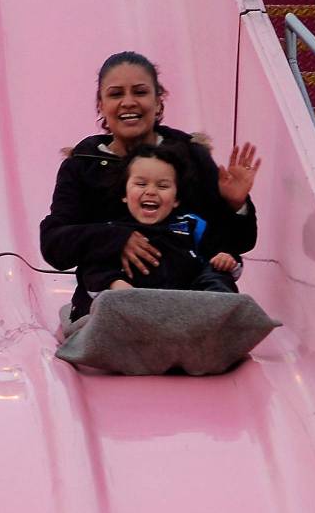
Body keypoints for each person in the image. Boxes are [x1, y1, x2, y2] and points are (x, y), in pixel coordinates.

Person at [40, 50, 262, 321]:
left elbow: (231, 243)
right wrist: (114, 238)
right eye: (116, 94)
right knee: (105, 285)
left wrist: (235, 206)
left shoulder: (189, 156)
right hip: (116, 297)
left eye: (140, 92)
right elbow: (54, 245)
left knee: (217, 281)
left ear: (158, 101)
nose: (128, 102)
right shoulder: (82, 165)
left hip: (184, 293)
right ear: (101, 105)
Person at [75, 142, 244, 308]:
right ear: (124, 194)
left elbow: (221, 247)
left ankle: (218, 309)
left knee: (216, 272)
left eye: (163, 186)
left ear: (176, 198)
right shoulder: (112, 231)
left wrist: (227, 259)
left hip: (187, 309)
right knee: (110, 296)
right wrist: (115, 284)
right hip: (134, 309)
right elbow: (93, 268)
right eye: (141, 184)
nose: (151, 191)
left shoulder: (192, 225)